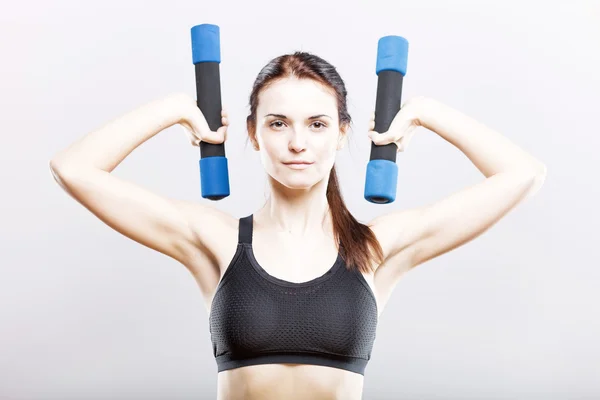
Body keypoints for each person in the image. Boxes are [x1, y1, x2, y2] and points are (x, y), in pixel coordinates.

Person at [49, 51, 547, 400]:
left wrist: (423, 114)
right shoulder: (216, 241)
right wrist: (178, 110)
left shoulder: (378, 248)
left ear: (341, 134)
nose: (297, 143)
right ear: (253, 133)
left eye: (317, 123)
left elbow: (522, 174)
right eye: (278, 123)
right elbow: (73, 168)